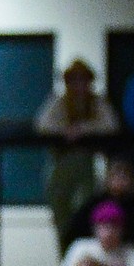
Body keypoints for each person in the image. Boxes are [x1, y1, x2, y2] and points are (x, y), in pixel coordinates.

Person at [34, 59, 119, 249]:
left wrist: (84, 129)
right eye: (73, 80)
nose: (79, 85)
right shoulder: (60, 102)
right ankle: (67, 258)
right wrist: (65, 131)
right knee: (62, 219)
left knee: (85, 213)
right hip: (60, 167)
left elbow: (111, 125)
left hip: (86, 167)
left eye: (83, 80)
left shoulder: (97, 102)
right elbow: (42, 125)